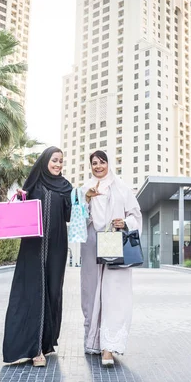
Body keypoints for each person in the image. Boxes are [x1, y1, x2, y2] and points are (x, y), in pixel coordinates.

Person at [2, 146, 72, 367]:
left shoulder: (66, 187)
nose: (58, 164)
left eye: (61, 161)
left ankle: (45, 343)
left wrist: (79, 200)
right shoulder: (34, 184)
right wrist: (22, 197)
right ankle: (34, 350)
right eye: (54, 160)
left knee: (51, 292)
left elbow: (69, 216)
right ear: (45, 161)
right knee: (32, 292)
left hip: (57, 248)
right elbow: (21, 211)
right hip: (33, 247)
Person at [80, 150, 142, 366]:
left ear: (108, 164)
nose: (98, 166)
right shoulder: (84, 189)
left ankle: (109, 348)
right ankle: (94, 341)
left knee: (115, 295)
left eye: (102, 162)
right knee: (92, 293)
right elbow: (77, 220)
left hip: (117, 249)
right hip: (91, 248)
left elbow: (136, 215)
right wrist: (86, 199)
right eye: (94, 163)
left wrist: (125, 223)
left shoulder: (121, 188)